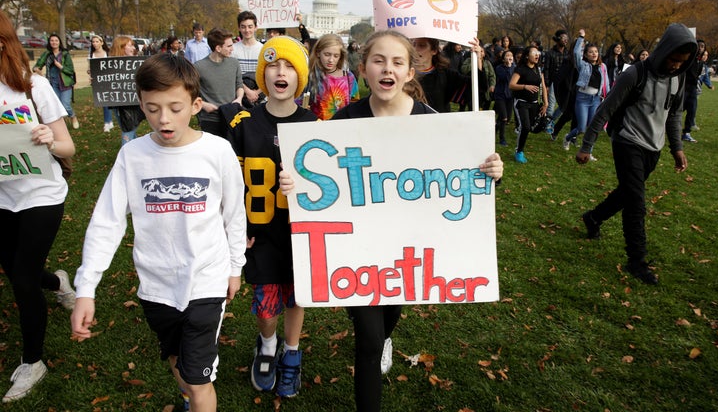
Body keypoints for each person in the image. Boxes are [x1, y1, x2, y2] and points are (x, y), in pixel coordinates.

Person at [278, 30, 504, 412]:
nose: (388, 69)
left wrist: (493, 170)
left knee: (388, 319)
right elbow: (320, 176)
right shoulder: (343, 120)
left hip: (407, 248)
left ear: (410, 72)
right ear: (364, 69)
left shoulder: (431, 120)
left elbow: (462, 174)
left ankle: (386, 337)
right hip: (358, 250)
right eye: (379, 61)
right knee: (367, 339)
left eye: (398, 62)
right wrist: (294, 181)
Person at [71, 53, 247, 412]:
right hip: (156, 285)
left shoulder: (218, 151)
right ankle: (186, 392)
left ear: (196, 105)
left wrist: (234, 268)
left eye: (175, 107)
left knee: (199, 382)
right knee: (177, 363)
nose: (164, 118)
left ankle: (194, 395)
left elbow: (233, 215)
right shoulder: (132, 156)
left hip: (206, 281)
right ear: (141, 104)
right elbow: (106, 221)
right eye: (152, 109)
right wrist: (86, 289)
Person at [225, 36, 317, 399]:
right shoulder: (242, 122)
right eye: (273, 66)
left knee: (296, 297)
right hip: (258, 232)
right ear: (263, 75)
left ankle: (291, 351)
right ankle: (267, 345)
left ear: (301, 76)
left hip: (299, 232)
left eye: (290, 66)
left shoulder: (313, 124)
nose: (281, 72)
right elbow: (228, 182)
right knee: (265, 299)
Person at [576, 23, 697, 285]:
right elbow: (605, 110)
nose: (676, 65)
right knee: (635, 203)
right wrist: (587, 146)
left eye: (682, 61)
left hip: (654, 147)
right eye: (673, 59)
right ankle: (637, 261)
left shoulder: (679, 77)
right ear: (663, 51)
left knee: (628, 193)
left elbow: (674, 114)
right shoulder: (635, 74)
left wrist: (677, 148)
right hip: (627, 141)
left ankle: (593, 217)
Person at [0, 9, 77, 402]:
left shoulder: (33, 87)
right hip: (2, 198)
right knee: (13, 268)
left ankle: (33, 362)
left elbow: (69, 147)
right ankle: (59, 282)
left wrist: (50, 138)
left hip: (41, 195)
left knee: (22, 278)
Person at [562, 30, 610, 158]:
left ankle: (588, 152)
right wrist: (581, 38)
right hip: (582, 99)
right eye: (590, 52)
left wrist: (608, 97)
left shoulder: (602, 67)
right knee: (582, 128)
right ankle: (567, 137)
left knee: (592, 128)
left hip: (596, 99)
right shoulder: (582, 65)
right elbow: (576, 53)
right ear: (586, 55)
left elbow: (606, 83)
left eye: (595, 52)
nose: (594, 54)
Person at [195, 27, 244, 137]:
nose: (232, 49)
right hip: (210, 119)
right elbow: (188, 93)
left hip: (233, 117)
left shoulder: (234, 63)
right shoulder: (199, 67)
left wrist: (239, 98)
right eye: (229, 46)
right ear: (218, 48)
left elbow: (239, 85)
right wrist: (204, 105)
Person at [304, 34, 358, 120]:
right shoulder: (310, 76)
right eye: (327, 54)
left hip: (343, 127)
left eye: (336, 56)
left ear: (340, 56)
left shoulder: (349, 77)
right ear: (318, 53)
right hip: (317, 128)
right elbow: (300, 103)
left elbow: (355, 105)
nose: (331, 60)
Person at [509, 45, 548, 163]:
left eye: (538, 53)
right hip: (521, 103)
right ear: (527, 56)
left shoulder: (539, 69)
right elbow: (511, 85)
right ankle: (519, 151)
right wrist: (525, 86)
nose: (537, 55)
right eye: (534, 52)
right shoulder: (521, 69)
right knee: (525, 127)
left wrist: (546, 103)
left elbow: (543, 87)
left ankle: (520, 146)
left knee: (530, 127)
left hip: (534, 104)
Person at [32, 34, 79, 130]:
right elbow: (37, 66)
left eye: (56, 40)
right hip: (52, 83)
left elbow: (70, 70)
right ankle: (60, 125)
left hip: (65, 83)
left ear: (59, 42)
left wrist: (60, 66)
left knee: (65, 105)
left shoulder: (65, 54)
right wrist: (37, 70)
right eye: (52, 40)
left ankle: (73, 117)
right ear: (49, 42)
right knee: (55, 105)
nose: (54, 42)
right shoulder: (47, 54)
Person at [413, 37, 468, 113]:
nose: (415, 49)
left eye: (422, 46)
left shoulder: (445, 74)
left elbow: (473, 87)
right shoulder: (403, 75)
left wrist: (478, 60)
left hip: (439, 122)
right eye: (413, 45)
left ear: (434, 51)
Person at [109, 36, 145, 145]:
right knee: (128, 129)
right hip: (121, 104)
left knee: (131, 128)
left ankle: (133, 150)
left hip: (135, 101)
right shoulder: (109, 65)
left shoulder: (136, 63)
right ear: (122, 47)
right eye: (130, 45)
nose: (133, 47)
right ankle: (127, 154)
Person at [232, 11, 263, 107]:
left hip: (260, 96)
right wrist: (247, 91)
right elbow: (233, 75)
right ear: (239, 28)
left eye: (250, 26)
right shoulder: (233, 49)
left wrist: (257, 92)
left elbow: (267, 75)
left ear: (255, 27)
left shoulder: (263, 49)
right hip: (239, 95)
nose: (247, 30)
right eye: (243, 27)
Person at [543, 30, 571, 132]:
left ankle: (551, 120)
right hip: (553, 82)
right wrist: (546, 84)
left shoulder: (568, 53)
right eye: (564, 38)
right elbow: (546, 69)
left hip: (565, 83)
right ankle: (547, 125)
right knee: (551, 105)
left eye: (567, 38)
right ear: (558, 38)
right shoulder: (550, 53)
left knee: (564, 105)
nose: (566, 40)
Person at [87, 35, 114, 132]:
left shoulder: (108, 53)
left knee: (108, 101)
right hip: (98, 81)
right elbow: (89, 68)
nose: (95, 43)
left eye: (97, 41)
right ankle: (107, 122)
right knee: (104, 101)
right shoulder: (91, 54)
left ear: (102, 42)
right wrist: (90, 73)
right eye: (93, 42)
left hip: (108, 80)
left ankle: (109, 121)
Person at [681, 39, 706, 143]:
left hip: (692, 89)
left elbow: (698, 75)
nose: (700, 48)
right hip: (684, 88)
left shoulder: (700, 62)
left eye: (702, 46)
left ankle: (686, 133)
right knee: (678, 110)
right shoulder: (688, 59)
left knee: (692, 111)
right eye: (698, 46)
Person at [459, 45, 496, 111]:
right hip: (470, 88)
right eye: (477, 51)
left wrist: (492, 85)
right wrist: (474, 62)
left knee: (484, 108)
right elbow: (463, 70)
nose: (479, 53)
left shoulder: (487, 63)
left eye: (481, 51)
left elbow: (492, 75)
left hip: (483, 90)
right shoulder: (468, 60)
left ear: (484, 54)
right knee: (471, 107)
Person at [494, 49, 515, 146]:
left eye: (511, 55)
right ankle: (502, 139)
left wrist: (511, 66)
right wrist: (508, 66)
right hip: (500, 96)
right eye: (507, 55)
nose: (509, 57)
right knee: (504, 118)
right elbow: (506, 78)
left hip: (510, 96)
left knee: (505, 118)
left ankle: (493, 132)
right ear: (503, 59)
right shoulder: (499, 68)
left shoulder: (515, 68)